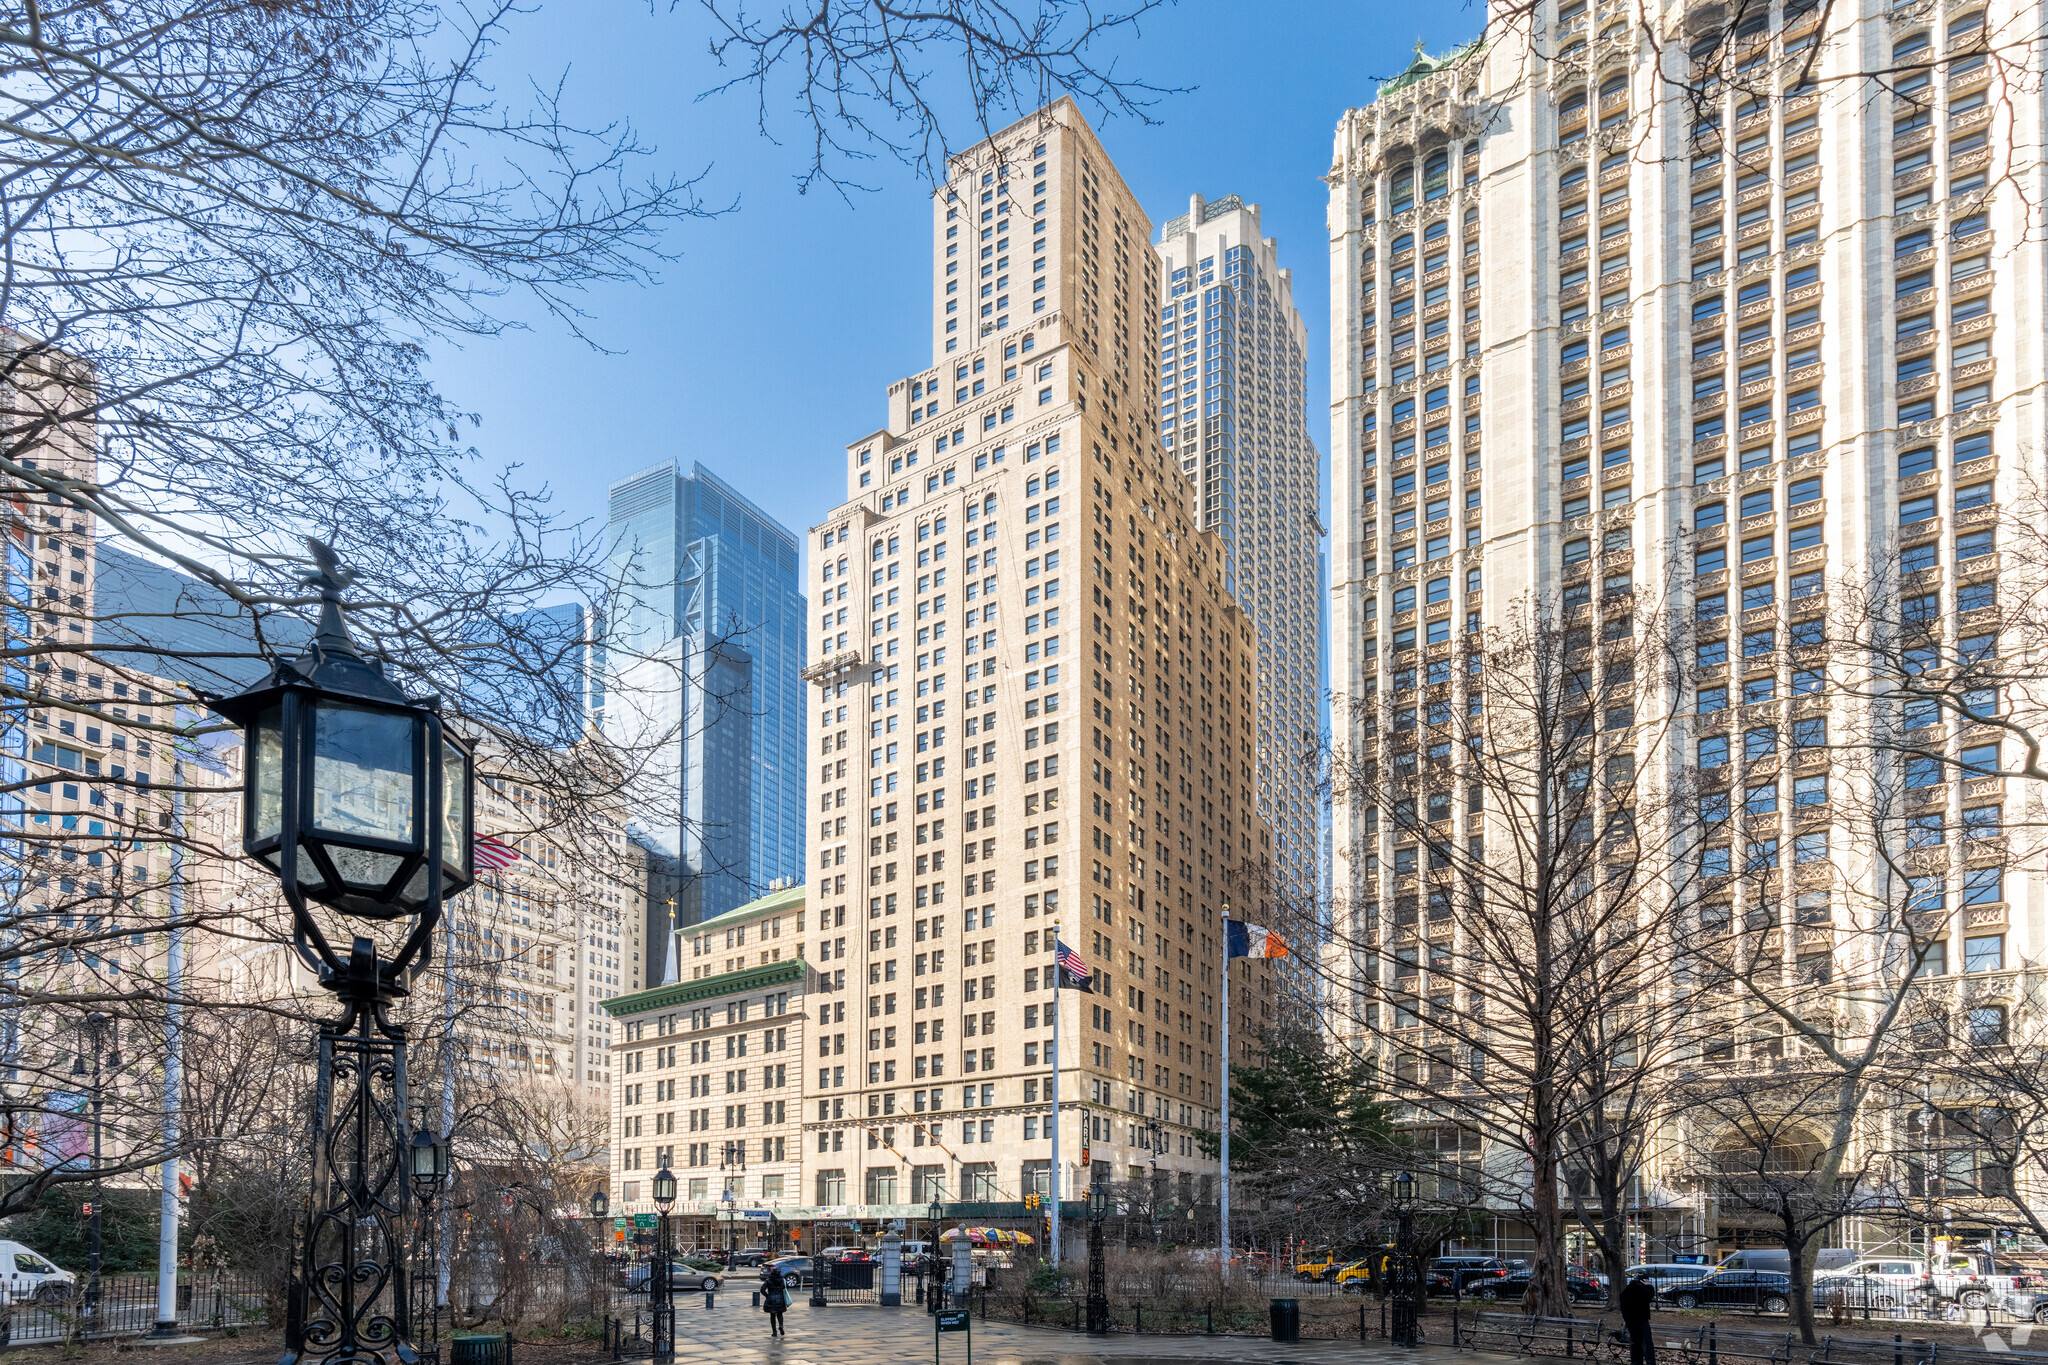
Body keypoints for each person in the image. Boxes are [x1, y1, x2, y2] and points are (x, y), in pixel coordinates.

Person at [1620, 1273, 1657, 1365]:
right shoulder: (1641, 1289)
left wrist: (1627, 1319)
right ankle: (1650, 1362)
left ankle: (1635, 1362)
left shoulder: (1628, 1289)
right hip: (1641, 1320)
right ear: (1644, 1280)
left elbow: (1623, 1304)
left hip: (1631, 1322)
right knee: (1647, 1345)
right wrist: (1650, 1286)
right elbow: (1648, 1296)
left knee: (1635, 1344)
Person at [760, 1265, 790, 1338]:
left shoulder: (769, 1280)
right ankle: (781, 1325)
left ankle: (774, 1332)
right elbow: (785, 1288)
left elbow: (762, 1290)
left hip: (771, 1298)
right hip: (780, 1299)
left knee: (772, 1315)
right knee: (780, 1314)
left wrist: (767, 1295)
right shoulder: (782, 1280)